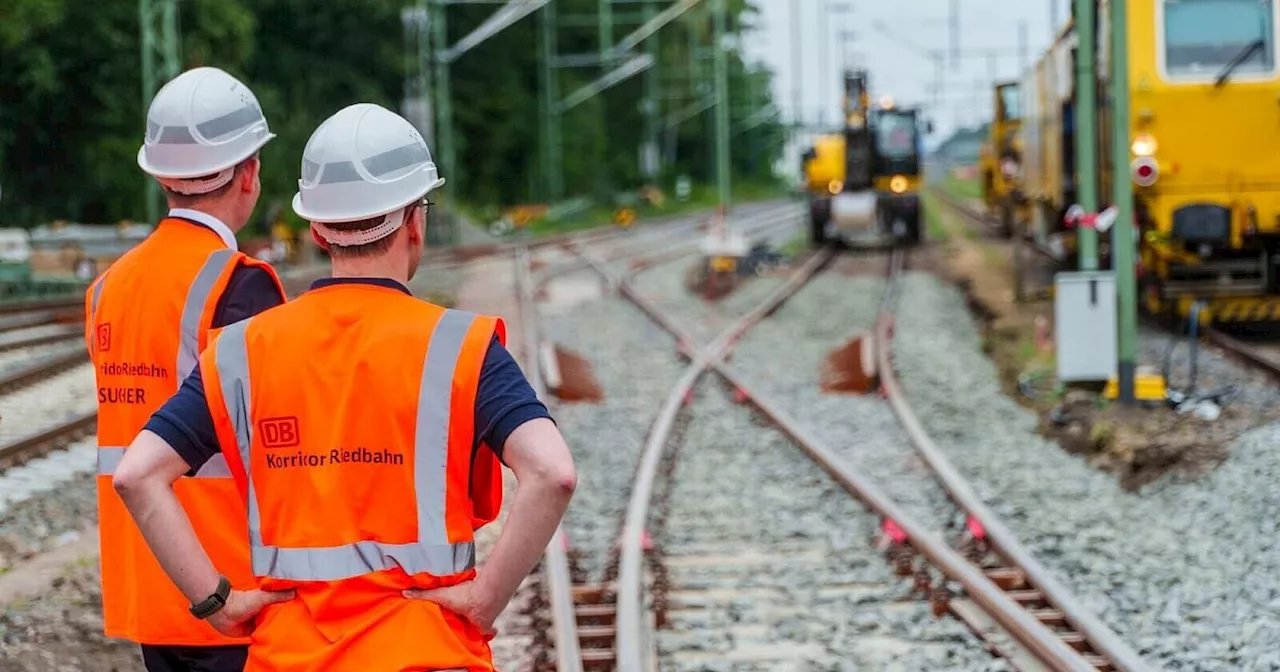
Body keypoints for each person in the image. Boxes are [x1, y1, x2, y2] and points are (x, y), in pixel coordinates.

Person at [112, 102, 578, 671]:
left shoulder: (239, 351)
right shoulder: (462, 347)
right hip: (426, 653)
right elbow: (552, 473)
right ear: (414, 221)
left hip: (289, 657)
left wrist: (218, 603)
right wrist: (485, 601)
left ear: (316, 230)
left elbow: (137, 475)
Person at [85, 66, 287, 672]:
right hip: (231, 588)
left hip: (151, 584)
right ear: (249, 173)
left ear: (160, 176)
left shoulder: (106, 288)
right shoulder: (238, 285)